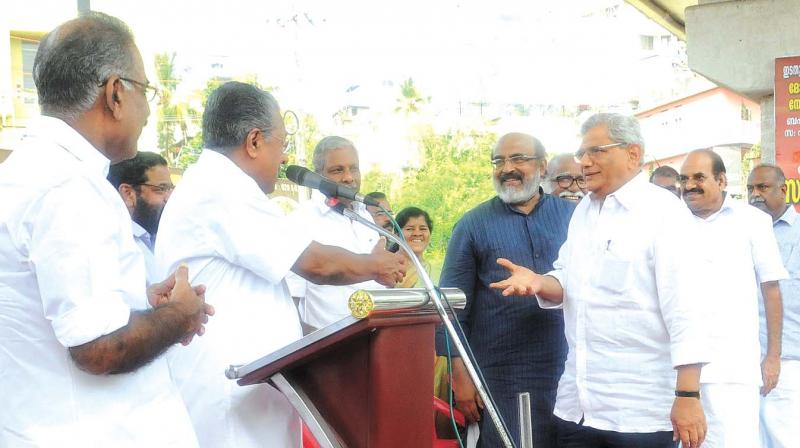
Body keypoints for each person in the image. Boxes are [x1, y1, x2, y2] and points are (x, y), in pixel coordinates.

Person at [0, 12, 212, 447]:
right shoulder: (67, 184)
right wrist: (180, 314)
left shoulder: (29, 172)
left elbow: (50, 306)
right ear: (115, 92)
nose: (149, 110)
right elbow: (98, 348)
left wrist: (140, 300)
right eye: (147, 90)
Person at [155, 81, 406, 448]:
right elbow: (314, 263)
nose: (285, 158)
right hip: (230, 404)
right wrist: (373, 265)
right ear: (254, 141)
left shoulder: (220, 186)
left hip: (250, 395)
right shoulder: (221, 190)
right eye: (283, 145)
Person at [490, 114, 709, 448]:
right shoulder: (585, 212)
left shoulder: (664, 213)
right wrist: (538, 282)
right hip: (579, 406)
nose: (585, 162)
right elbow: (569, 279)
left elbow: (687, 309)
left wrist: (688, 395)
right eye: (582, 153)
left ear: (633, 154)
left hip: (639, 412)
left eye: (596, 151)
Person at [436, 132, 573, 447]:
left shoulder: (573, 218)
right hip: (500, 375)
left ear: (542, 166)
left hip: (567, 371)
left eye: (518, 159)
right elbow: (450, 308)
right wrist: (460, 374)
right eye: (498, 161)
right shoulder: (473, 225)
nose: (506, 168)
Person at [679, 150, 786, 448]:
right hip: (673, 370)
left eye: (699, 178)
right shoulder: (668, 223)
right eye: (684, 179)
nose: (689, 185)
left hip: (732, 369)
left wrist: (773, 356)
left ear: (722, 180)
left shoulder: (752, 221)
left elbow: (772, 289)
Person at [286, 136, 387, 329]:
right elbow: (291, 304)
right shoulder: (300, 221)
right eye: (337, 170)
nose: (349, 177)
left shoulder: (365, 216)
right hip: (329, 350)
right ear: (317, 176)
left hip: (377, 341)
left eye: (354, 168)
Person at [747, 164, 800, 447]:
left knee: (786, 439)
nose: (755, 195)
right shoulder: (740, 233)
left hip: (790, 360)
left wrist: (775, 358)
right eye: (750, 189)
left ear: (783, 190)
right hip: (743, 360)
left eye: (763, 187)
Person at [108, 151, 175, 284]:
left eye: (171, 189)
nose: (169, 198)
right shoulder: (115, 244)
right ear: (128, 194)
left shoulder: (164, 236)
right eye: (161, 189)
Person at [395, 206, 433, 288]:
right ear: (396, 235)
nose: (417, 233)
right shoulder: (389, 267)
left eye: (423, 229)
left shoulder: (429, 268)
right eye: (410, 229)